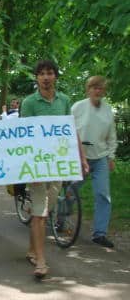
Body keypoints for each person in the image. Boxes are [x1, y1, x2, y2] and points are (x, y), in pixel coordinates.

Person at [21, 60, 88, 278]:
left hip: (58, 165)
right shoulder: (29, 103)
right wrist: (32, 168)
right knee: (40, 213)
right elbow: (24, 136)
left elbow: (71, 132)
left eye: (50, 73)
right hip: (38, 166)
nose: (46, 77)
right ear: (37, 78)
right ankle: (41, 262)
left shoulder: (65, 101)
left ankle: (33, 248)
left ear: (55, 76)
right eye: (41, 73)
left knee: (45, 210)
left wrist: (82, 157)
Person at [72, 75, 117, 248]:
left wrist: (111, 156)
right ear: (88, 89)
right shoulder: (78, 107)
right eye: (94, 87)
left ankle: (100, 233)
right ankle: (60, 218)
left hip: (100, 157)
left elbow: (112, 135)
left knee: (103, 195)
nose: (98, 91)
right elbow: (68, 130)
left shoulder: (107, 110)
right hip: (79, 156)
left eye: (101, 88)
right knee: (71, 189)